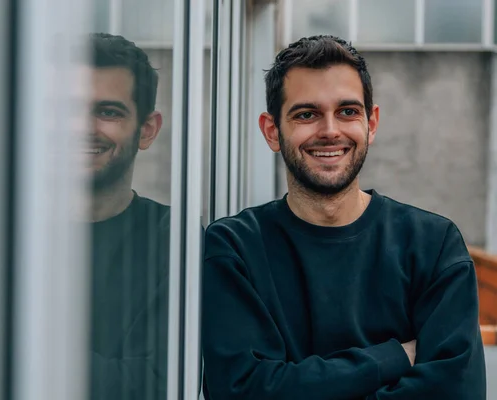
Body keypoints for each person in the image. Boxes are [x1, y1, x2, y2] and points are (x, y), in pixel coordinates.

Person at [201, 35, 486, 399]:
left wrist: (291, 383)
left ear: (372, 123)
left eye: (348, 111)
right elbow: (241, 391)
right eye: (307, 114)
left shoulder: (434, 246)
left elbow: (456, 391)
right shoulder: (235, 248)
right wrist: (392, 357)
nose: (330, 130)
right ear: (272, 131)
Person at [0, 33, 170, 400]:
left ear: (147, 129)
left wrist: (5, 359)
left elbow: (157, 388)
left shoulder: (175, 240)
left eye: (108, 111)